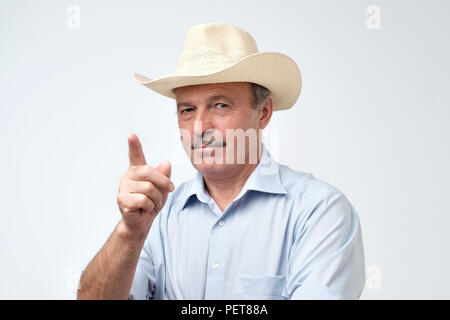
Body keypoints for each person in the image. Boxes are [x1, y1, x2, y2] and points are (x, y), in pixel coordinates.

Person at [77, 23, 365, 300]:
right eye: (187, 110)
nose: (200, 127)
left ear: (263, 112)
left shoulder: (319, 212)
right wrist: (129, 233)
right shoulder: (156, 217)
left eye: (220, 105)